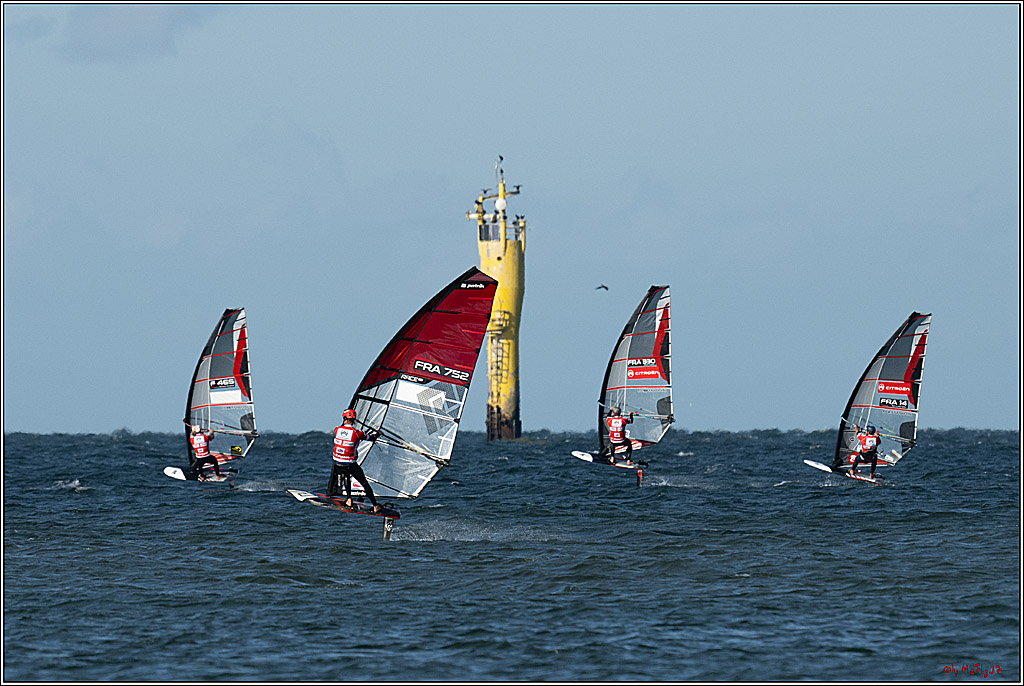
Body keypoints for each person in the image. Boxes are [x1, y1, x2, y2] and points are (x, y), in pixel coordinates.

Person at [327, 409, 381, 513]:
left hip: (338, 462)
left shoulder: (336, 429)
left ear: (344, 419)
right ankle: (375, 505)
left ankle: (349, 499)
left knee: (346, 475)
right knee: (364, 482)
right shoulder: (357, 433)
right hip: (349, 463)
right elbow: (371, 438)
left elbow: (343, 430)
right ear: (354, 420)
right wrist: (377, 434)